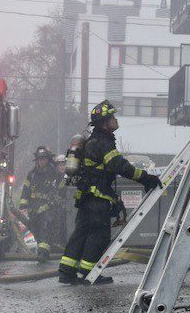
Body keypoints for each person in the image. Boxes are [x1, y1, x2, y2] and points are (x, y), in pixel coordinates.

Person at [58, 101, 162, 284]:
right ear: (105, 122)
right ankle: (88, 274)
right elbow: (120, 166)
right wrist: (145, 178)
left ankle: (66, 272)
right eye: (113, 117)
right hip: (98, 199)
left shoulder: (94, 141)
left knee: (81, 234)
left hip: (87, 197)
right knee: (99, 235)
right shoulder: (102, 143)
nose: (116, 120)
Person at [18, 146, 66, 260]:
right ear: (37, 160)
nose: (42, 161)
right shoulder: (32, 174)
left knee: (45, 227)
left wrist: (54, 200)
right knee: (35, 228)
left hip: (49, 208)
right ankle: (45, 249)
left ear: (48, 160)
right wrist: (23, 205)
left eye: (44, 159)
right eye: (40, 159)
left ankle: (42, 253)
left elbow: (62, 189)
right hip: (33, 208)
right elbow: (26, 189)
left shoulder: (55, 173)